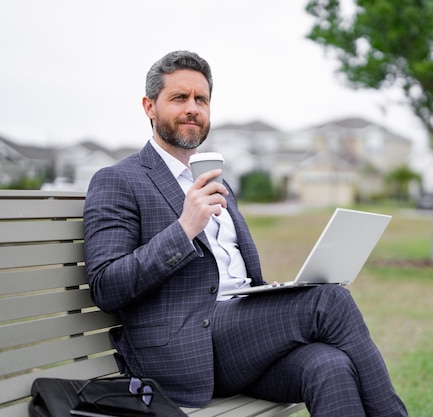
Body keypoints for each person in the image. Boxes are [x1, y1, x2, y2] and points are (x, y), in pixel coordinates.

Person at [83, 50, 408, 416]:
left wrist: (271, 292)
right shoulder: (119, 180)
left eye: (201, 99)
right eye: (179, 98)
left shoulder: (216, 184)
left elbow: (232, 274)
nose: (193, 108)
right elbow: (106, 286)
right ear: (149, 107)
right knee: (328, 300)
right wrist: (184, 228)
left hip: (238, 341)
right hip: (181, 350)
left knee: (328, 364)